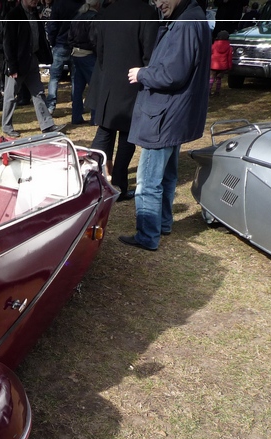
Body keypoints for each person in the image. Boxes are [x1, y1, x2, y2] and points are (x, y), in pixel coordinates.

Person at [119, 0, 210, 251]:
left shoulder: (187, 22)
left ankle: (147, 234)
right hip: (173, 114)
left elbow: (173, 74)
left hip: (164, 115)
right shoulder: (191, 17)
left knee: (149, 179)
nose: (158, 2)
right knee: (168, 175)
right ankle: (163, 224)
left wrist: (142, 74)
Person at [87, 0, 159, 199]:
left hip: (108, 79)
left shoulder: (107, 12)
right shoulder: (146, 12)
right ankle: (118, 184)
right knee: (126, 135)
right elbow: (150, 53)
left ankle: (95, 181)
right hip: (132, 80)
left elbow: (98, 49)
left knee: (105, 130)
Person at [1, 0, 61, 137]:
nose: (35, 0)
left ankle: (47, 125)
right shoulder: (13, 15)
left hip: (32, 59)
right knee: (10, 96)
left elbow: (38, 36)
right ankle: (6, 126)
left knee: (38, 92)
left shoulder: (34, 13)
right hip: (17, 62)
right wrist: (12, 66)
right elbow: (8, 43)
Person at [45, 0, 83, 115]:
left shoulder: (58, 4)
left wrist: (52, 41)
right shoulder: (80, 4)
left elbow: (53, 25)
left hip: (60, 44)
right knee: (75, 78)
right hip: (75, 44)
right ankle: (77, 106)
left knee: (54, 78)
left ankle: (51, 106)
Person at [66, 0, 100, 125]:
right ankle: (95, 118)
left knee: (77, 89)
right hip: (88, 55)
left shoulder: (77, 16)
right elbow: (94, 39)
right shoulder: (93, 18)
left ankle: (76, 116)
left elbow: (69, 37)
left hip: (75, 54)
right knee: (95, 87)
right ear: (97, 4)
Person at [210, 30, 232, 96]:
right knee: (219, 79)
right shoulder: (229, 47)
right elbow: (229, 58)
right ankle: (217, 91)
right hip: (223, 65)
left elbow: (210, 53)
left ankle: (208, 90)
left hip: (213, 65)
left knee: (211, 78)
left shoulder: (213, 45)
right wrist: (229, 66)